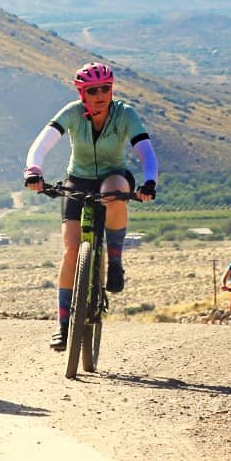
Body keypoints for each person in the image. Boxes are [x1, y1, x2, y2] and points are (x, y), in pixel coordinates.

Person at [23, 61, 159, 351]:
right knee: (71, 251)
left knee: (115, 192)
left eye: (106, 88)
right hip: (79, 180)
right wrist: (33, 170)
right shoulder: (72, 113)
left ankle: (115, 260)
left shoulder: (125, 114)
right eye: (93, 90)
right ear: (82, 93)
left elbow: (146, 151)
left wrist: (149, 182)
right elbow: (42, 143)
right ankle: (62, 325)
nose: (101, 94)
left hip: (114, 176)